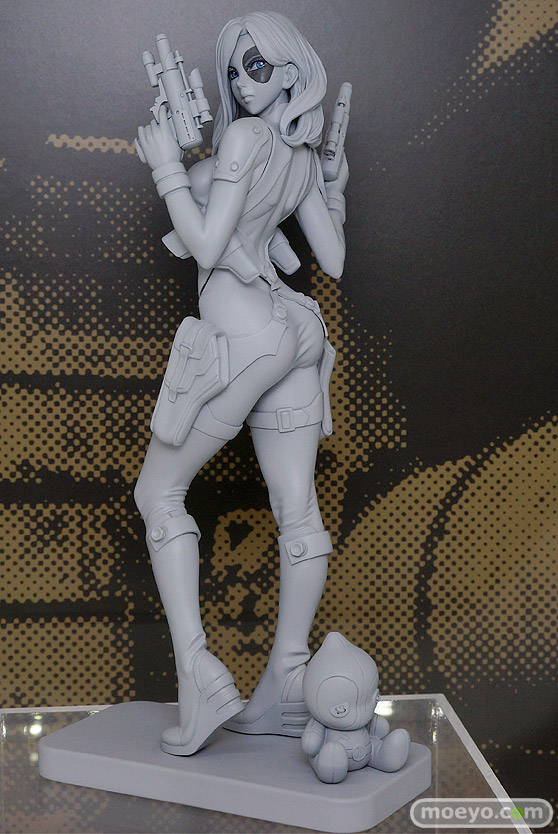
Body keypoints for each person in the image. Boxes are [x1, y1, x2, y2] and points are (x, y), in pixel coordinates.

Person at [134, 10, 348, 756]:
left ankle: (201, 676)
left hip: (245, 330)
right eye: (234, 69)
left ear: (291, 69)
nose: (241, 81)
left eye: (257, 66)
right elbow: (333, 260)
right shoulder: (300, 152)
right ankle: (285, 682)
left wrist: (166, 166)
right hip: (298, 328)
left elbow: (204, 244)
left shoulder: (247, 138)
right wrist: (336, 187)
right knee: (298, 512)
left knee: (158, 494)